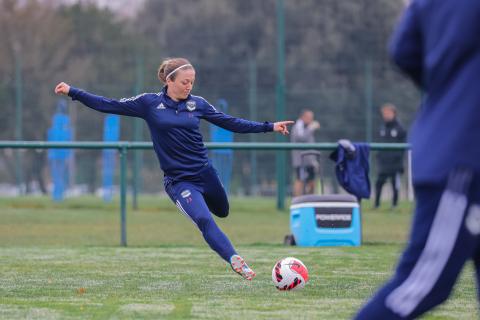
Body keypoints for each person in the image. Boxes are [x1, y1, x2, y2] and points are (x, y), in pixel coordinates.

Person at [54, 57, 293, 281]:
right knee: (203, 219)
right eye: (184, 82)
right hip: (179, 181)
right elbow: (109, 104)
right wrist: (73, 92)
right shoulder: (149, 103)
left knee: (222, 211)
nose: (189, 86)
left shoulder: (198, 104)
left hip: (205, 173)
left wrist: (269, 126)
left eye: (192, 82)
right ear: (169, 81)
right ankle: (235, 259)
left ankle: (215, 222)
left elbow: (230, 122)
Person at [355, 0, 480, 319]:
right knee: (424, 285)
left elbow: (404, 50)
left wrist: (450, 90)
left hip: (448, 145)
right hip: (464, 162)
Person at [374, 103, 407, 209]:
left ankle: (394, 205)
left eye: (388, 113)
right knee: (379, 183)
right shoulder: (382, 128)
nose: (386, 115)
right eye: (384, 113)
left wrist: (398, 159)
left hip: (395, 163)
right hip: (384, 162)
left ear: (394, 113)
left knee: (395, 184)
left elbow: (403, 146)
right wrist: (379, 156)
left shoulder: (400, 128)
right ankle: (376, 204)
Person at [291, 109, 320, 197]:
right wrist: (311, 128)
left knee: (312, 182)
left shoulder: (307, 127)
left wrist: (314, 161)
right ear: (303, 117)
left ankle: (310, 201)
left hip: (309, 160)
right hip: (300, 160)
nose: (311, 119)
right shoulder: (298, 126)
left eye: (312, 118)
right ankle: (297, 202)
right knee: (299, 180)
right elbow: (301, 138)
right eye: (309, 117)